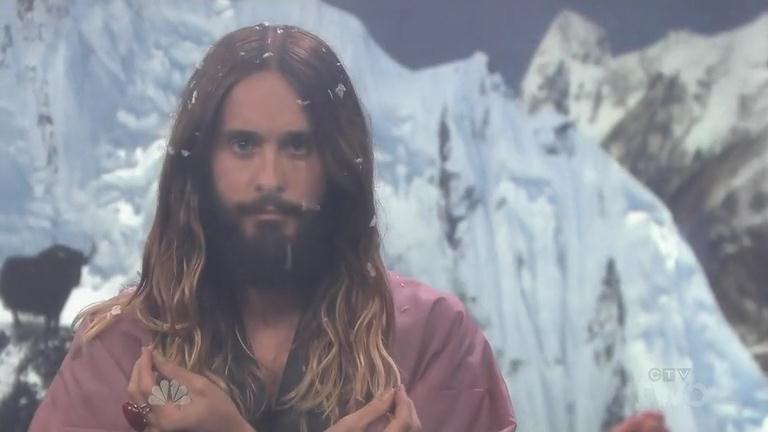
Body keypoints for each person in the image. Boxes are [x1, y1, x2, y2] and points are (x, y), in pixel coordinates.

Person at [28, 24, 517, 432]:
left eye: (297, 146)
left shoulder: (430, 341)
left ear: (336, 164)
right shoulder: (122, 351)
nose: (269, 179)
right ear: (201, 163)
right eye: (243, 145)